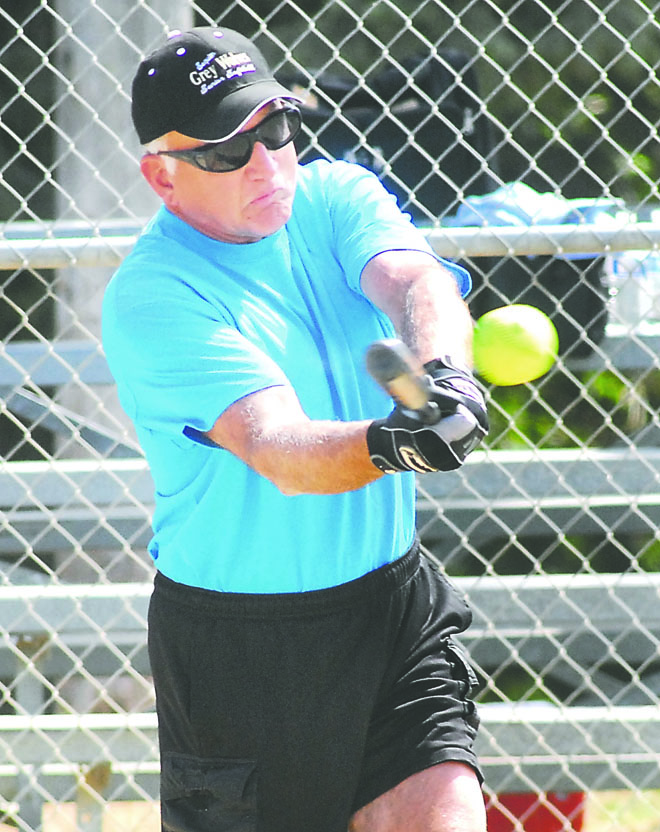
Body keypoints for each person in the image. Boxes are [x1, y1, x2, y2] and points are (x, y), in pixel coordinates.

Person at [102, 25, 489, 832]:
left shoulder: (336, 194)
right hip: (241, 649)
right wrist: (394, 444)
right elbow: (279, 450)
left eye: (275, 129)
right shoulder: (155, 295)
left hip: (391, 610)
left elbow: (414, 279)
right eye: (224, 151)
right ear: (162, 176)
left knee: (444, 812)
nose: (266, 163)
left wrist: (444, 374)